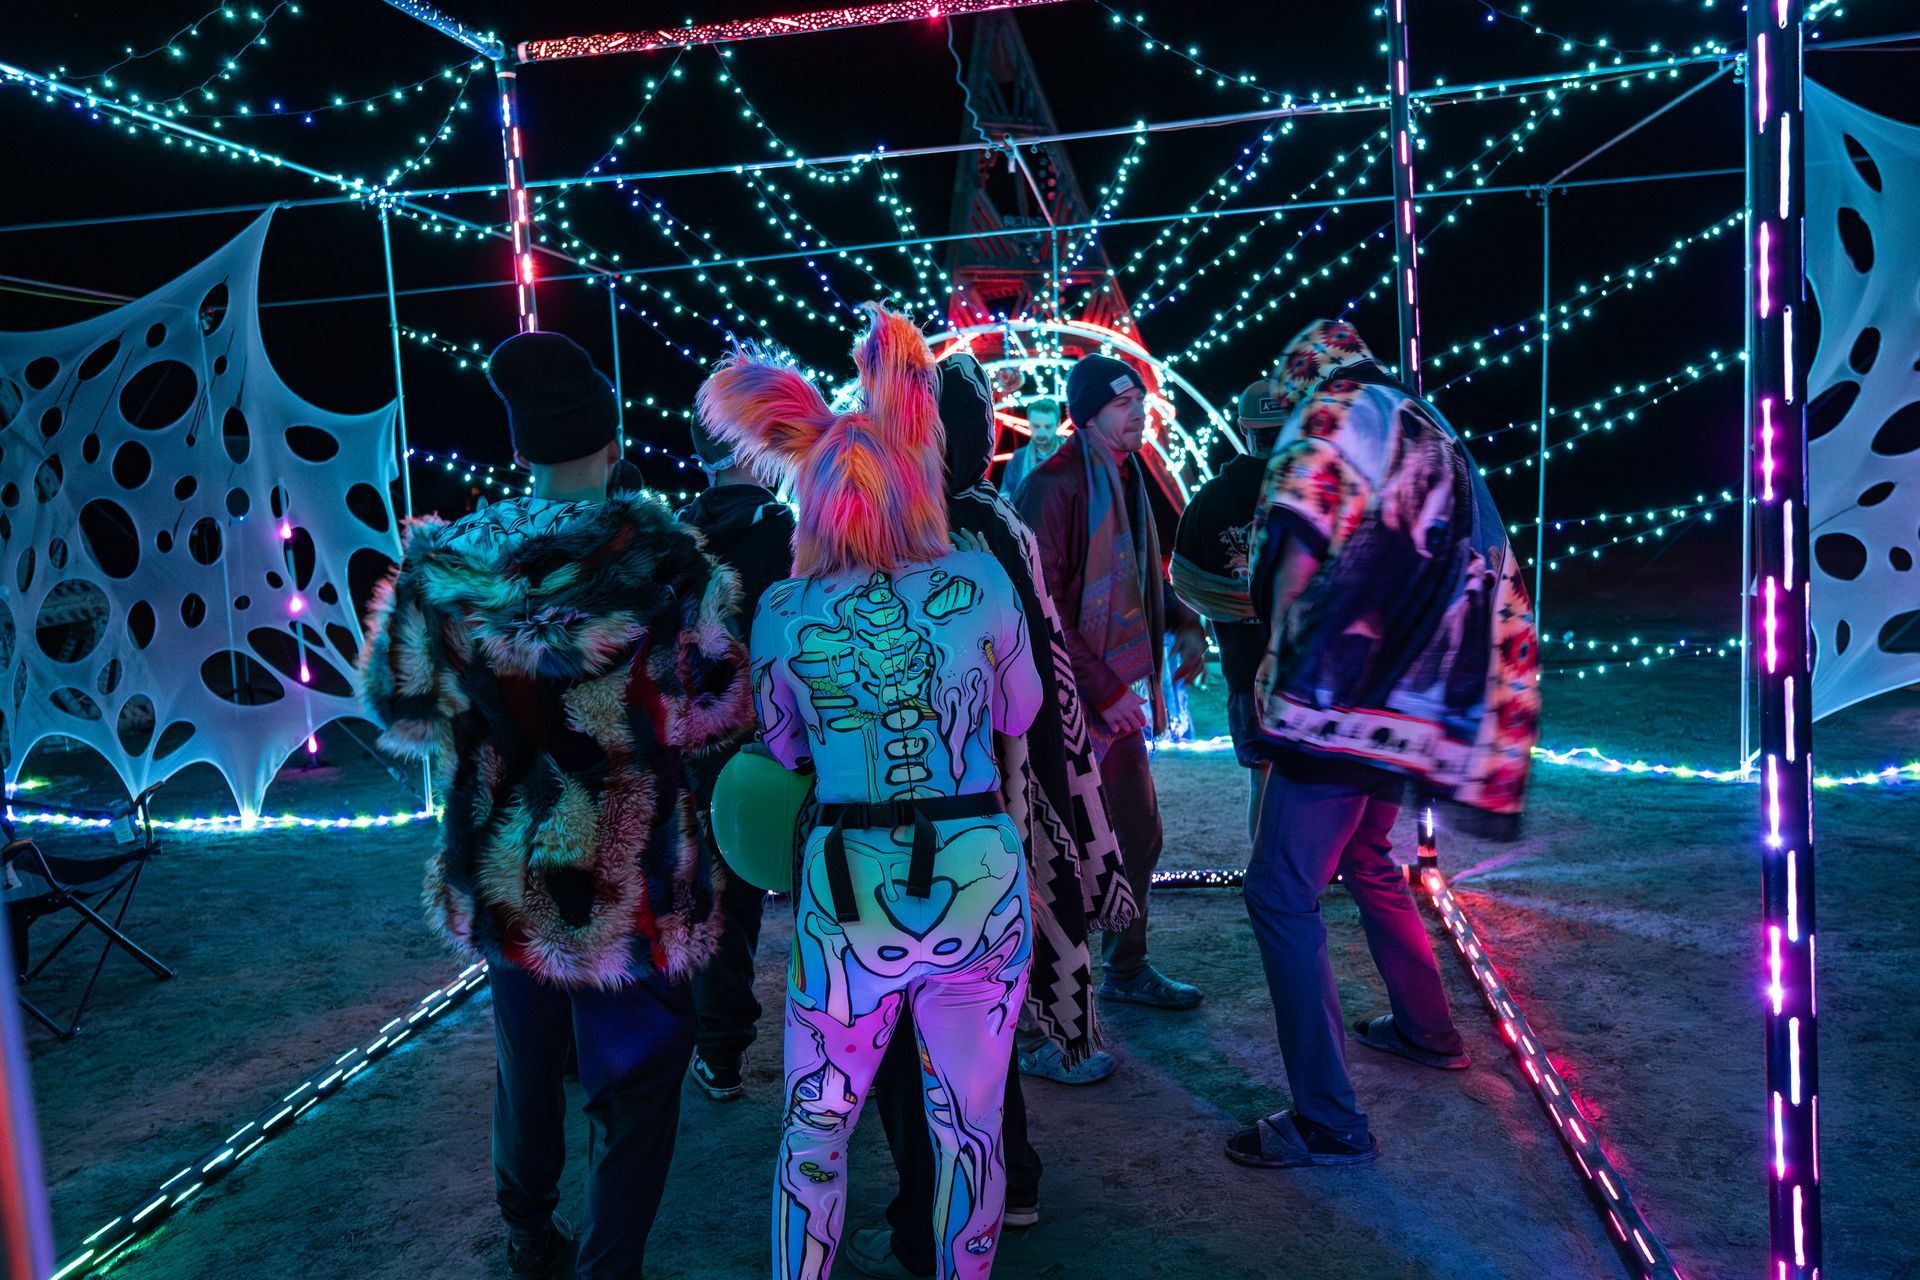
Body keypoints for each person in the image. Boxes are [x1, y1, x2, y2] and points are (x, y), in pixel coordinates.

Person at [359, 330, 753, 1279]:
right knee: (640, 1078)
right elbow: (718, 711)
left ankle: (528, 1232)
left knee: (526, 1064)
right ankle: (611, 1263)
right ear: (612, 445)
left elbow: (400, 705)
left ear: (523, 450)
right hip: (633, 875)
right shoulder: (669, 562)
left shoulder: (446, 564)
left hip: (506, 864)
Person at [696, 305, 1042, 1280]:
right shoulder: (979, 580)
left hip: (850, 880)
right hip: (976, 868)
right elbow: (1019, 712)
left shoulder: (787, 608)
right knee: (968, 1126)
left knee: (815, 1124)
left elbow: (782, 743)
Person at [846, 355, 1137, 1280]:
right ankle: (1009, 1180)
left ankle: (922, 1212)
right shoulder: (1000, 527)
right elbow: (1040, 692)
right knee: (983, 1014)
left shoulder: (884, 536)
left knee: (902, 1021)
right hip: (998, 818)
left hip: (894, 820)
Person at [1227, 319, 1541, 1170]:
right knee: (1368, 859)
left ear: (1299, 378)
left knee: (1279, 892)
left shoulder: (1329, 418)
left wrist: (1277, 676)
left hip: (1343, 697)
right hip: (1418, 699)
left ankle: (1328, 1120)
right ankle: (1427, 1029)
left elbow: (1292, 554)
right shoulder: (1421, 420)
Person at [1014, 355, 1209, 1011]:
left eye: (1141, 400)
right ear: (1089, 412)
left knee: (1137, 831)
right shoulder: (1055, 486)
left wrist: (1184, 622)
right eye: (1125, 402)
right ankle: (1050, 998)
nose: (1140, 411)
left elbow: (1138, 571)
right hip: (1066, 704)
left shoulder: (1123, 475)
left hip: (1112, 698)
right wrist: (1104, 688)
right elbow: (1042, 607)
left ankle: (1126, 966)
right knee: (1062, 848)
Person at [677, 417, 798, 1102]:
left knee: (718, 901)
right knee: (825, 890)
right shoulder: (784, 536)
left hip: (699, 747)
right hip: (783, 744)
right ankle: (846, 1049)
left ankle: (720, 1053)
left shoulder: (676, 536)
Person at [997, 396, 1061, 496]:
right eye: (1036, 426)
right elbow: (1005, 496)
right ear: (1029, 425)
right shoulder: (1018, 458)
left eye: (1047, 427)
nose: (1041, 432)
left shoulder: (1072, 454)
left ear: (1058, 425)